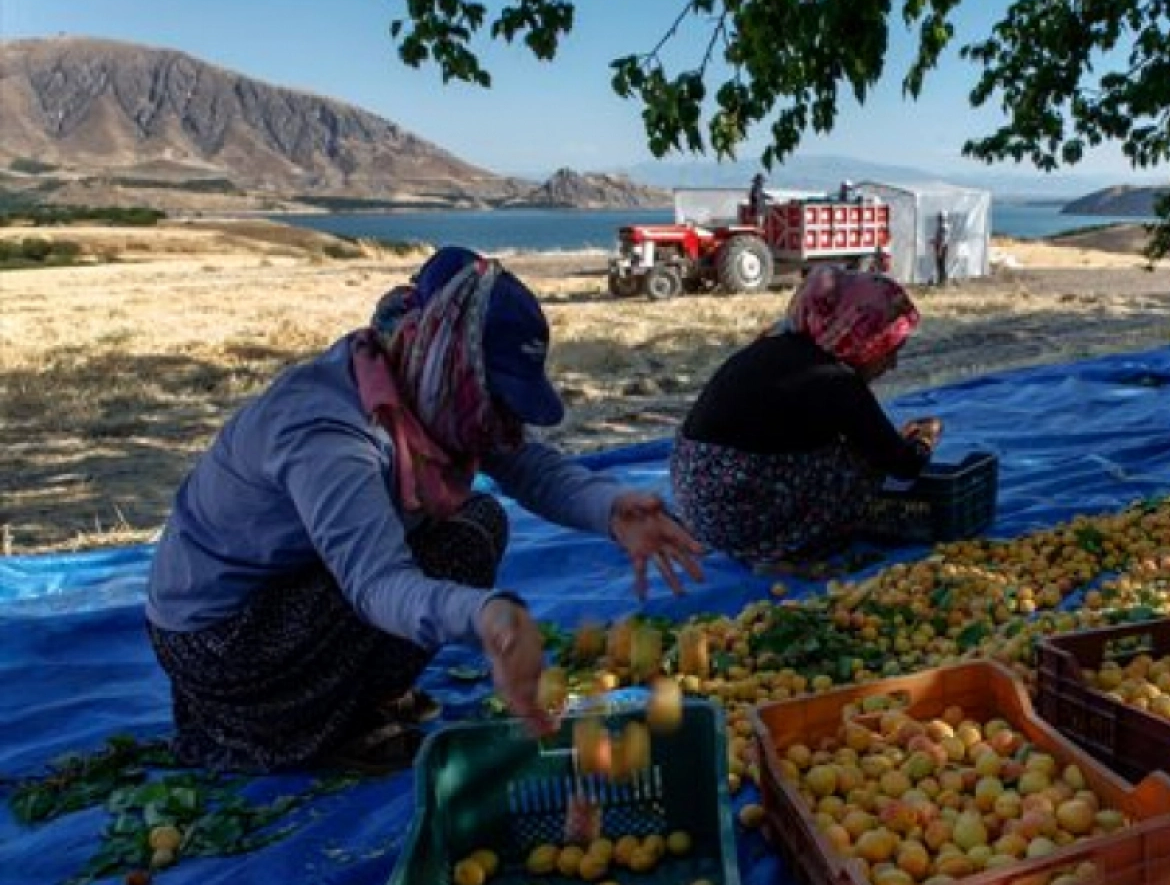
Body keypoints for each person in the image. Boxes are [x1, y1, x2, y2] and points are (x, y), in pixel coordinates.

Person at [145, 247, 704, 774]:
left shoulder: (421, 382)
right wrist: (487, 617)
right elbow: (377, 583)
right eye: (495, 400)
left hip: (295, 586)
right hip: (224, 639)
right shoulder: (331, 436)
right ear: (447, 360)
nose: (498, 420)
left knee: (476, 523)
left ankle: (356, 696)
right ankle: (295, 727)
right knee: (450, 557)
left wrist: (612, 510)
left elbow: (527, 463)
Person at [669, 265, 941, 565]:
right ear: (864, 337)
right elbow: (903, 465)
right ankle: (791, 545)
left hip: (694, 495)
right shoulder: (834, 380)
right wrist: (925, 439)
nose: (893, 365)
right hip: (732, 515)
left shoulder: (777, 344)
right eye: (888, 350)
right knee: (861, 466)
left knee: (851, 449)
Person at [933, 211, 952, 286]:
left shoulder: (943, 227)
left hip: (942, 247)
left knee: (941, 264)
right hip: (942, 246)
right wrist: (934, 241)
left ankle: (942, 281)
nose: (938, 219)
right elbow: (940, 238)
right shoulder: (944, 226)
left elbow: (942, 239)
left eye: (939, 217)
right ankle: (942, 280)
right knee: (941, 264)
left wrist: (940, 249)